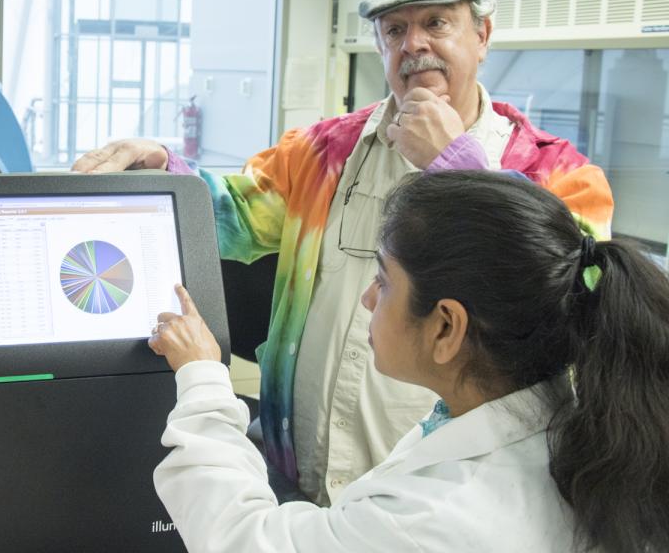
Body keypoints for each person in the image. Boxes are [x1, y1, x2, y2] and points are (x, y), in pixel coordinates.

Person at [73, 0, 614, 503]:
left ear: (482, 35)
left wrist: (457, 163)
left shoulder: (561, 175)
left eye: (436, 23)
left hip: (446, 492)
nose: (414, 45)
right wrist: (167, 167)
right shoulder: (324, 151)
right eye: (395, 30)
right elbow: (237, 216)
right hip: (298, 468)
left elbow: (569, 301)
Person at [148, 170, 669, 553]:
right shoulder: (574, 429)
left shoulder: (430, 520)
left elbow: (244, 540)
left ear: (446, 327)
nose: (368, 299)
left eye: (383, 278)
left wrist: (203, 380)